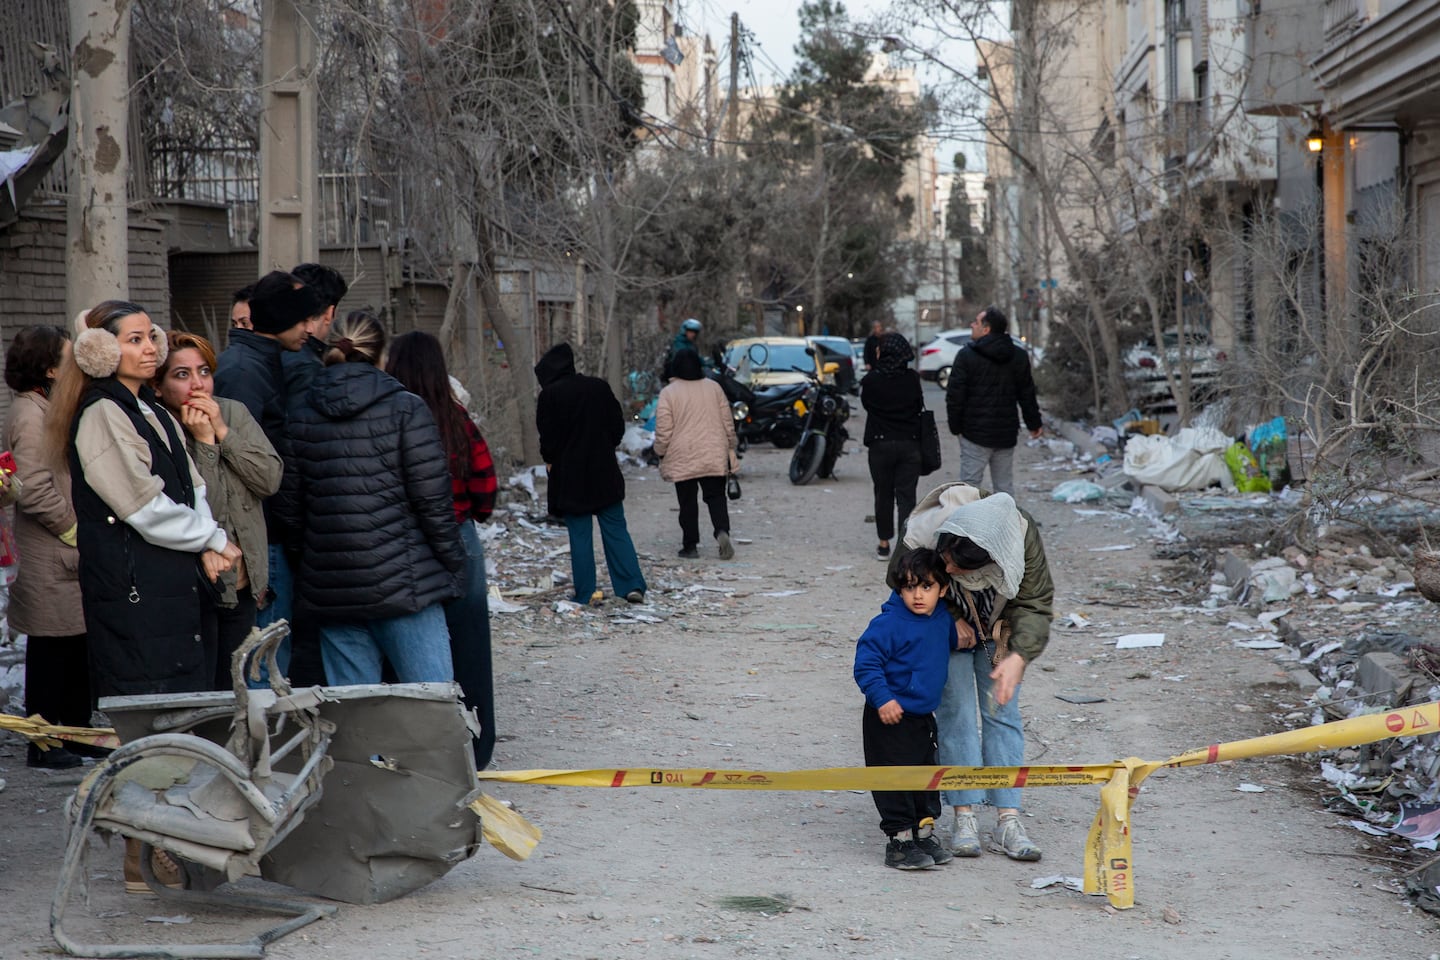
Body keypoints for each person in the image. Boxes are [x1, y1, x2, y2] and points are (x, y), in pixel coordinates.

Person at [46, 300, 240, 892]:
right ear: (102, 352)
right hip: (136, 598)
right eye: (133, 339)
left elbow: (191, 485)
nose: (150, 348)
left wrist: (208, 540)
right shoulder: (102, 412)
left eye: (150, 336)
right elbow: (142, 507)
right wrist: (211, 537)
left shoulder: (149, 405)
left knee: (183, 723)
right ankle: (142, 854)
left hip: (171, 591)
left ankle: (175, 848)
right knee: (153, 729)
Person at [282, 310, 464, 685]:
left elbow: (291, 513)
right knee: (433, 710)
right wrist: (454, 565)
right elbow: (433, 502)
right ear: (383, 357)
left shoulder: (299, 414)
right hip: (407, 588)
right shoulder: (407, 409)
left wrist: (316, 565)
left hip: (333, 594)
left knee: (357, 722)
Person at [889, 481, 1054, 861]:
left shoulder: (1019, 536)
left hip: (1001, 626)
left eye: (957, 567)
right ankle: (964, 816)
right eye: (945, 558)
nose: (946, 568)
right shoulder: (927, 529)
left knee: (1002, 712)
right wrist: (949, 616)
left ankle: (1007, 819)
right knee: (956, 713)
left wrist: (1018, 656)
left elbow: (1035, 601)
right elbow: (900, 577)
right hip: (945, 629)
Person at [385, 330, 499, 768]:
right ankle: (475, 747)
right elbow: (486, 490)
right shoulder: (455, 421)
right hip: (458, 537)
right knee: (469, 645)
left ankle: (410, 749)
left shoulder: (385, 418)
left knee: (403, 647)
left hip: (402, 544)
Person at [154, 331, 282, 690]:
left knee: (236, 685)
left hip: (242, 579)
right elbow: (204, 510)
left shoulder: (232, 412)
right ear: (159, 386)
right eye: (182, 375)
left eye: (204, 371)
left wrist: (223, 432)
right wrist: (205, 445)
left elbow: (270, 479)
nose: (198, 385)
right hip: (195, 585)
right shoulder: (160, 427)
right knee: (200, 687)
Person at [213, 270, 326, 671]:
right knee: (261, 661)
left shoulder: (266, 361)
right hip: (260, 535)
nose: (311, 330)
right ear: (280, 320)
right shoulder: (244, 371)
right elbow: (230, 462)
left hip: (273, 529)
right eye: (304, 320)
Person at [5, 325, 87, 769]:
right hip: (53, 555)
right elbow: (33, 489)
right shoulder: (31, 416)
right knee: (51, 656)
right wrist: (75, 530)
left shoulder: (43, 407)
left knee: (73, 651)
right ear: (50, 367)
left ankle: (74, 735)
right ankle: (45, 744)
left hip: (61, 558)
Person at [854, 548, 963, 870]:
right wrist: (883, 698)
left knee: (926, 777)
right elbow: (866, 664)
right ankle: (899, 842)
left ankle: (923, 833)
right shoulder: (887, 624)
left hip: (922, 717)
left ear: (942, 589)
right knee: (894, 779)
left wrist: (971, 636)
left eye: (926, 587)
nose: (918, 595)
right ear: (899, 588)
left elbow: (946, 642)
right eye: (910, 587)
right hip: (888, 715)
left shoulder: (942, 617)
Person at [534, 342, 648, 605]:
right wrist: (603, 446)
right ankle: (631, 585)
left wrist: (552, 460)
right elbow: (617, 427)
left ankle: (586, 593)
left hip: (570, 478)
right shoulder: (599, 387)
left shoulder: (550, 396)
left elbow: (548, 440)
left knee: (580, 535)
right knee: (616, 529)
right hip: (603, 471)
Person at [944, 306, 1042, 496]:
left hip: (974, 433)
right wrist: (1034, 423)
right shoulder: (1018, 356)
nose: (972, 325)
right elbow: (1026, 393)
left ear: (986, 329)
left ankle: (970, 525)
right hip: (1005, 433)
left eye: (976, 322)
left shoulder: (966, 355)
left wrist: (956, 427)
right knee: (1004, 488)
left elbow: (955, 396)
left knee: (969, 489)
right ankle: (1005, 525)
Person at [653, 349, 738, 561]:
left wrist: (660, 451)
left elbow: (664, 429)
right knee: (716, 497)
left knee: (687, 502)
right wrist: (731, 444)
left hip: (682, 453)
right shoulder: (714, 388)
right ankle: (721, 532)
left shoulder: (669, 393)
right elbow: (727, 421)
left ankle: (690, 546)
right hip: (712, 450)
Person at [860, 332, 924, 562]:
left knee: (883, 493)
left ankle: (883, 543)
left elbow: (867, 405)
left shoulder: (870, 381)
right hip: (909, 444)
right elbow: (918, 405)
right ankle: (904, 546)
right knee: (907, 497)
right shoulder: (912, 379)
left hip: (880, 444)